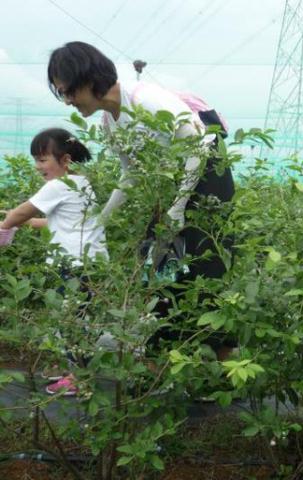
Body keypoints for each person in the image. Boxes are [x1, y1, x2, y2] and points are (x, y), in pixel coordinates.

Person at [47, 41, 236, 361]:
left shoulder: (144, 99)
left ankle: (222, 366)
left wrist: (178, 208)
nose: (68, 101)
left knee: (206, 266)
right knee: (157, 264)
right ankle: (167, 360)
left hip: (206, 175)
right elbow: (130, 175)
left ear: (88, 81)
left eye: (68, 92)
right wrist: (100, 219)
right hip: (172, 183)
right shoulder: (110, 123)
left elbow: (198, 148)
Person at [0, 128, 108, 396]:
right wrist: (19, 222)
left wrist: (7, 224)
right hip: (91, 262)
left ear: (65, 160)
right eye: (36, 160)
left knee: (71, 320)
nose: (38, 166)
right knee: (78, 318)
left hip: (74, 265)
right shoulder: (81, 182)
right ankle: (76, 370)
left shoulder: (57, 186)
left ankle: (78, 379)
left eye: (43, 159)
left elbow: (25, 209)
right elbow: (56, 221)